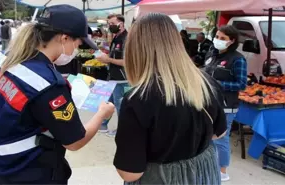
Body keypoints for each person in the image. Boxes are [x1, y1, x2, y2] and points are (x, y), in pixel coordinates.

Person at [0, 5, 114, 185]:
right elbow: (74, 142)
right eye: (78, 43)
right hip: (30, 172)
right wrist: (101, 114)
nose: (76, 49)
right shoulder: (48, 84)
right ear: (65, 38)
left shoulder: (0, 60)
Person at [113, 13, 227, 185]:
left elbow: (130, 173)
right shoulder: (206, 83)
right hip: (205, 174)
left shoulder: (138, 99)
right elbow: (219, 134)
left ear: (134, 49)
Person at [204, 25, 247, 182]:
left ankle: (222, 171)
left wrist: (218, 84)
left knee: (221, 137)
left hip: (226, 106)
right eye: (217, 36)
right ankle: (210, 166)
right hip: (208, 103)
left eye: (223, 39)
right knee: (207, 137)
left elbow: (242, 84)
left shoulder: (237, 59)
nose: (218, 40)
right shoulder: (212, 55)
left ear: (232, 41)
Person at [96, 14, 128, 136]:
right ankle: (103, 124)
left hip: (122, 78)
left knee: (120, 105)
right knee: (108, 102)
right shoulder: (116, 38)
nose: (110, 26)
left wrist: (108, 60)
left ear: (121, 24)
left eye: (112, 24)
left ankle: (123, 130)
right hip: (113, 76)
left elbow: (127, 61)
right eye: (109, 24)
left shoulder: (127, 39)